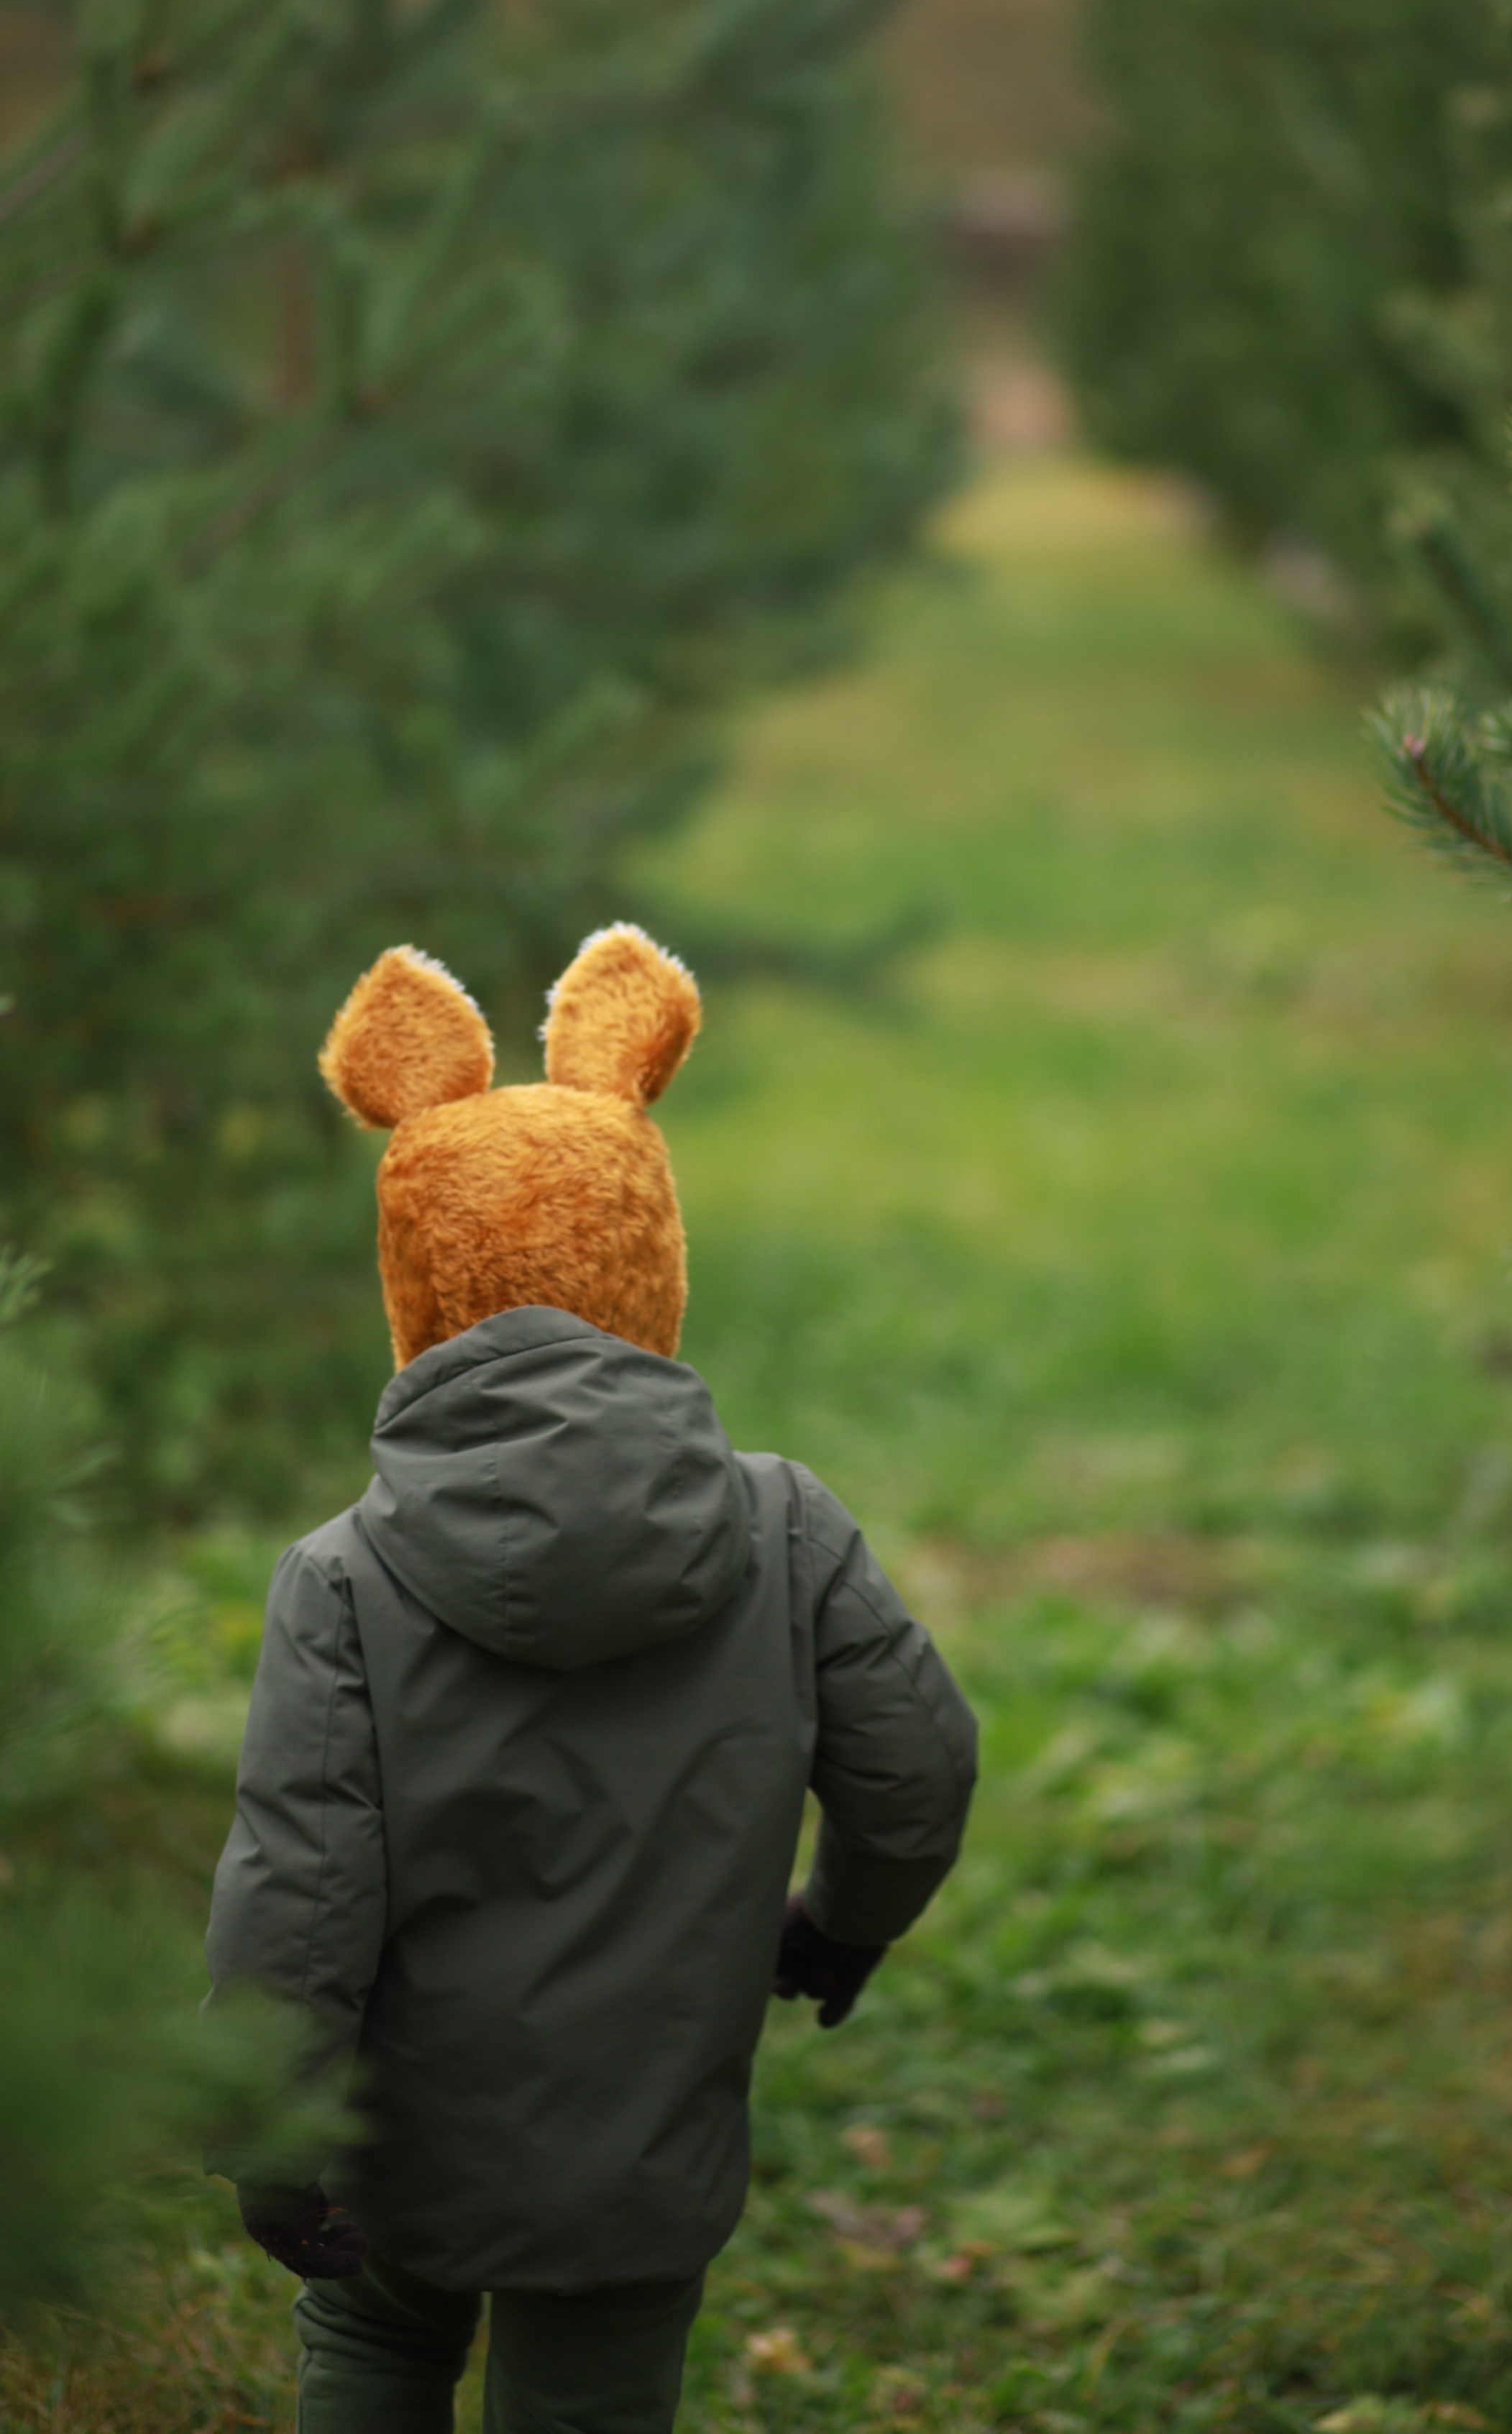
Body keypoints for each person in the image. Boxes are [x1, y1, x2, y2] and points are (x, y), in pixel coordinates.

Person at [206, 928, 978, 2434]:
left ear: (417, 1278)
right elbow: (919, 1767)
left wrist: (271, 2122)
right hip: (643, 2157)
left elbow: (299, 1885)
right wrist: (841, 1923)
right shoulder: (786, 1528)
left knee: (372, 2347)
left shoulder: (342, 1579)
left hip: (399, 2146)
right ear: (648, 1252)